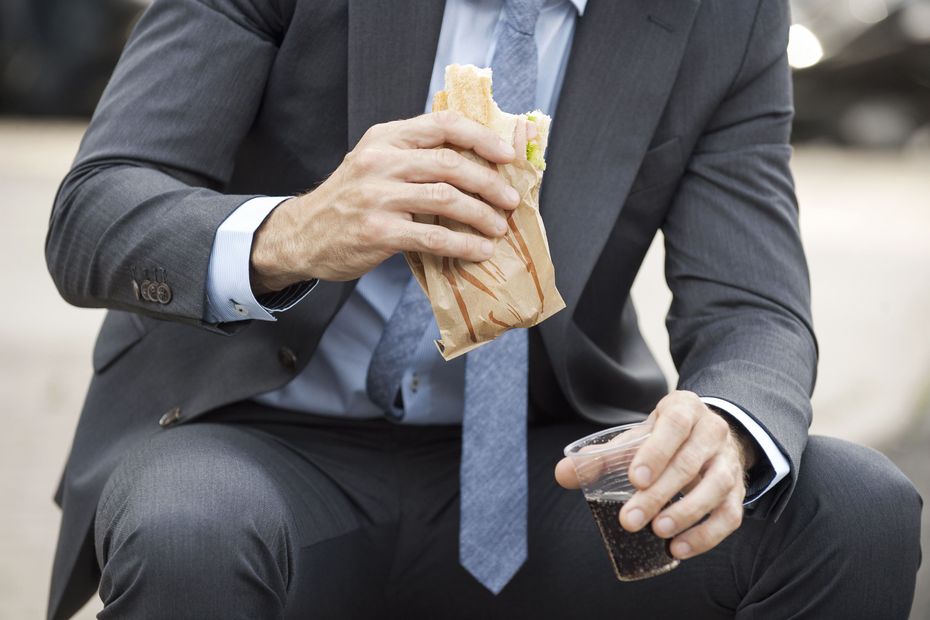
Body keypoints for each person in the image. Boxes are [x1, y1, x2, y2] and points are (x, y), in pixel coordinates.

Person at [45, 0, 922, 618]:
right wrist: (296, 232)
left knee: (854, 508)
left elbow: (753, 305)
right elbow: (96, 214)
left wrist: (727, 422)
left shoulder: (720, 14)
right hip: (261, 446)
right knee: (189, 529)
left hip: (539, 476)